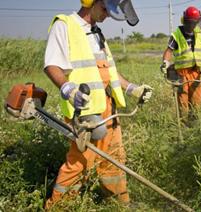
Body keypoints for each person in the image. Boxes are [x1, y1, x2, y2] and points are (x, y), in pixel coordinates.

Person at [43, 0, 152, 208]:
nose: (108, 15)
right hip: (86, 111)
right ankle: (59, 206)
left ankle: (119, 203)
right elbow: (51, 65)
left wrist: (132, 89)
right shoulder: (65, 25)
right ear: (90, 2)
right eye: (105, 9)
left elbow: (109, 72)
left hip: (109, 109)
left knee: (115, 159)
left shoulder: (96, 33)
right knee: (81, 162)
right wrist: (68, 89)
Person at [160, 6, 201, 126]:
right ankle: (183, 126)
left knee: (196, 101)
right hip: (181, 74)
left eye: (195, 22)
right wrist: (165, 62)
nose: (194, 25)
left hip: (195, 73)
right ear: (185, 21)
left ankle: (194, 125)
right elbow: (169, 51)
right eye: (191, 22)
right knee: (183, 101)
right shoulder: (177, 34)